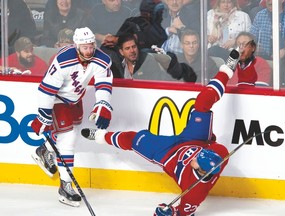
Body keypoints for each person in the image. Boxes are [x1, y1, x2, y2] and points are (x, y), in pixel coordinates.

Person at [81, 49, 240, 216]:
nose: (195, 157)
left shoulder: (195, 193)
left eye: (197, 161)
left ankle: (101, 136)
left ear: (202, 171)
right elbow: (212, 145)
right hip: (196, 139)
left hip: (168, 154)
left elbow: (183, 213)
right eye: (199, 156)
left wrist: (167, 212)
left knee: (135, 139)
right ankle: (226, 70)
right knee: (202, 102)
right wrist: (206, 144)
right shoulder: (220, 154)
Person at [31, 27, 113, 207]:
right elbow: (46, 89)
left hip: (75, 98)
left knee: (72, 129)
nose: (89, 50)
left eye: (91, 46)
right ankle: (65, 186)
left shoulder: (101, 59)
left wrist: (103, 104)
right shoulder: (63, 59)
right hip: (57, 98)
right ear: (76, 46)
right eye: (85, 47)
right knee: (68, 138)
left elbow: (104, 83)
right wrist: (44, 116)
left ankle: (44, 150)